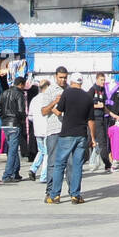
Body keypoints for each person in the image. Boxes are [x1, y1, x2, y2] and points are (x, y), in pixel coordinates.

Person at [46, 72, 92, 204]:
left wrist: (53, 107)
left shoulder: (66, 93)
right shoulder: (88, 96)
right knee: (77, 165)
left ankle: (55, 195)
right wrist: (93, 138)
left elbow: (59, 111)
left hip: (67, 134)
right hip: (81, 134)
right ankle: (75, 195)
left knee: (60, 164)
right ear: (81, 82)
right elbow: (91, 120)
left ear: (71, 81)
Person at [40, 68, 67, 197]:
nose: (63, 80)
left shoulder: (70, 90)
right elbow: (44, 111)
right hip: (54, 131)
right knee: (53, 163)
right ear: (56, 76)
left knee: (70, 164)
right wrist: (54, 102)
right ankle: (50, 191)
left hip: (68, 130)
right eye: (61, 77)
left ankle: (72, 192)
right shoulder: (50, 91)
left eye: (65, 77)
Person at [87, 72, 119, 173]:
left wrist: (114, 115)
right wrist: (97, 106)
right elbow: (87, 104)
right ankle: (105, 164)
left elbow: (104, 107)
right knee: (91, 141)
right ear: (97, 79)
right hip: (93, 119)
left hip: (101, 119)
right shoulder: (92, 90)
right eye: (101, 80)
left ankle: (107, 164)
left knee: (102, 142)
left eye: (104, 80)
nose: (103, 82)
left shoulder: (102, 91)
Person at [0, 75, 27, 183]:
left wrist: (4, 117)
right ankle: (7, 175)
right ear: (21, 84)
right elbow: (20, 110)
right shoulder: (19, 94)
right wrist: (22, 119)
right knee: (13, 151)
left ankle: (15, 172)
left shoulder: (4, 93)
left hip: (5, 124)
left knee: (13, 148)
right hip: (14, 124)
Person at [27, 80, 52, 181]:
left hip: (37, 129)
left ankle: (33, 169)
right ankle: (44, 175)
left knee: (41, 151)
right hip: (47, 129)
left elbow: (30, 116)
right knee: (47, 152)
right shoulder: (48, 99)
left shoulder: (34, 99)